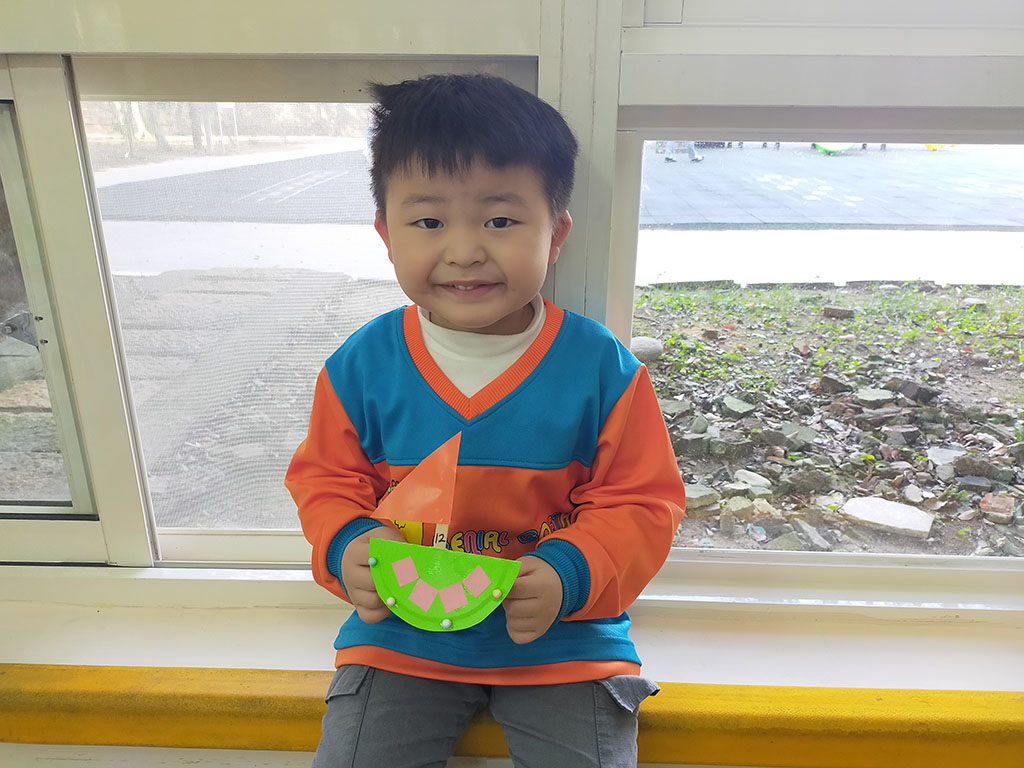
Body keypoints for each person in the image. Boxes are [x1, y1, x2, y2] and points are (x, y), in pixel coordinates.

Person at [286, 73, 686, 768]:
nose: (466, 250)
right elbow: (326, 481)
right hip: (402, 634)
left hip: (564, 637)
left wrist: (568, 572)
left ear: (556, 234)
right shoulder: (361, 365)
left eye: (500, 221)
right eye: (429, 222)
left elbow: (642, 502)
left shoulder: (601, 368)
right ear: (386, 235)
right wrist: (347, 545)